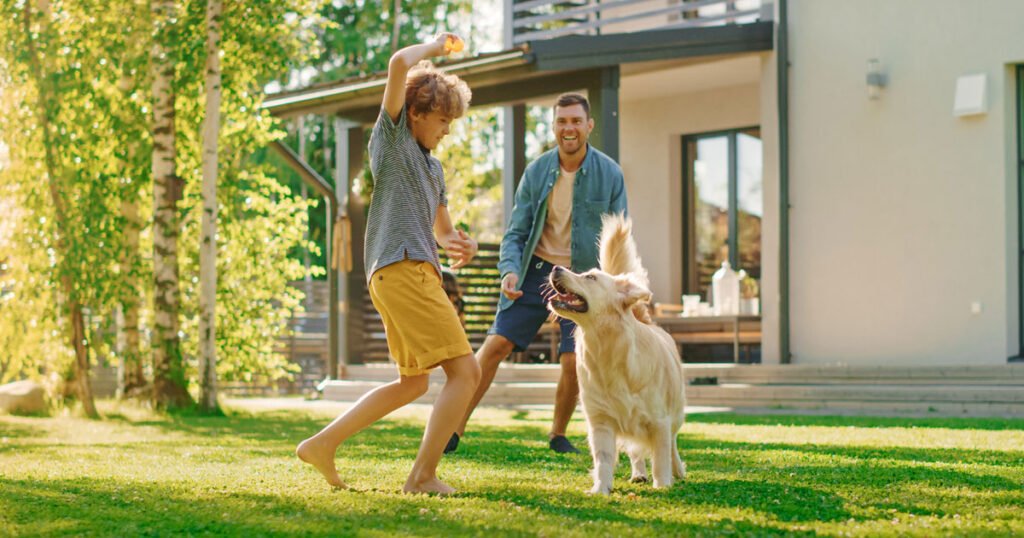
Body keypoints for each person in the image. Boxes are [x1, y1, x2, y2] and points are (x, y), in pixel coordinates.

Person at [297, 33, 481, 495]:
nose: (445, 129)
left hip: (404, 271)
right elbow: (399, 63)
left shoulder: (434, 169)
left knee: (413, 383)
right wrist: (436, 49)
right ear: (416, 113)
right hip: (404, 268)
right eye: (441, 119)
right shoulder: (393, 141)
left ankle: (322, 444)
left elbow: (444, 231)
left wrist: (463, 245)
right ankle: (421, 477)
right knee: (466, 372)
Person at [448, 93, 627, 454]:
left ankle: (558, 435)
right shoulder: (537, 171)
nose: (569, 128)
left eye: (576, 121)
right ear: (554, 127)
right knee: (495, 345)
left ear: (589, 126)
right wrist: (510, 272)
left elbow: (618, 241)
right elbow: (515, 232)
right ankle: (452, 428)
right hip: (537, 271)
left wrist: (614, 289)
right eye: (562, 122)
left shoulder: (611, 174)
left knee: (575, 359)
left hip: (581, 279)